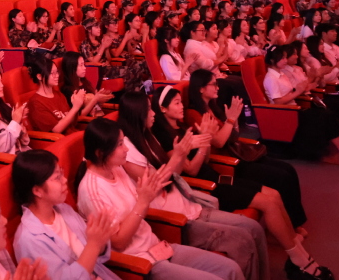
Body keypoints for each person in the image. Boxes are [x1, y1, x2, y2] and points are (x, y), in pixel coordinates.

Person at [117, 91, 268, 280]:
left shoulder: (148, 136)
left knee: (253, 227)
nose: (153, 113)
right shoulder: (129, 150)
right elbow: (157, 183)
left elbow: (176, 173)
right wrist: (180, 154)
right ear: (137, 114)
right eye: (148, 110)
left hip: (187, 203)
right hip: (177, 218)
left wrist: (194, 146)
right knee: (243, 240)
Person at [75, 118, 245, 280]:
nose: (126, 149)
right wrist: (143, 202)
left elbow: (143, 203)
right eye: (120, 145)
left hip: (157, 247)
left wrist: (147, 196)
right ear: (100, 153)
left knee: (230, 269)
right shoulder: (92, 191)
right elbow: (119, 242)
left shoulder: (116, 169)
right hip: (142, 264)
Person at [189, 69, 308, 230]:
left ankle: (294, 222)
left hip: (237, 152)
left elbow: (233, 136)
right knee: (281, 177)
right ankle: (290, 226)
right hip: (228, 163)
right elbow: (219, 142)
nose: (218, 87)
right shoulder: (194, 114)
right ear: (201, 89)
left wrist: (234, 120)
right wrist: (231, 120)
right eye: (213, 84)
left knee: (288, 169)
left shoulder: (213, 108)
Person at [11, 149, 121, 280]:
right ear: (37, 190)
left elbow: (96, 257)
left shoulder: (64, 209)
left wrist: (101, 239)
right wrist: (94, 244)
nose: (64, 180)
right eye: (57, 177)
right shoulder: (28, 240)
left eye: (62, 173)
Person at [263, 45, 339, 164]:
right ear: (272, 60)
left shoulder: (281, 74)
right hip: (286, 112)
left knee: (328, 113)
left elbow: (295, 90)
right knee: (324, 116)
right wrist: (298, 92)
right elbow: (278, 101)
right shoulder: (271, 78)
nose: (285, 60)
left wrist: (310, 82)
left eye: (285, 57)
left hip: (295, 107)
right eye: (281, 58)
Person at [25, 53, 84, 134]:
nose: (57, 76)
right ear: (40, 77)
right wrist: (75, 108)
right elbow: (56, 129)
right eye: (52, 73)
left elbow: (72, 122)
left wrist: (76, 104)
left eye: (57, 72)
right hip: (60, 139)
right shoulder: (36, 103)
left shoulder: (59, 95)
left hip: (73, 134)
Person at [59, 51, 109, 117]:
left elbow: (94, 104)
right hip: (87, 121)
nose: (84, 68)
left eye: (84, 65)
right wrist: (95, 100)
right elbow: (78, 116)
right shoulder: (67, 90)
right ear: (72, 67)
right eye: (81, 65)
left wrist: (100, 99)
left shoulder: (84, 82)